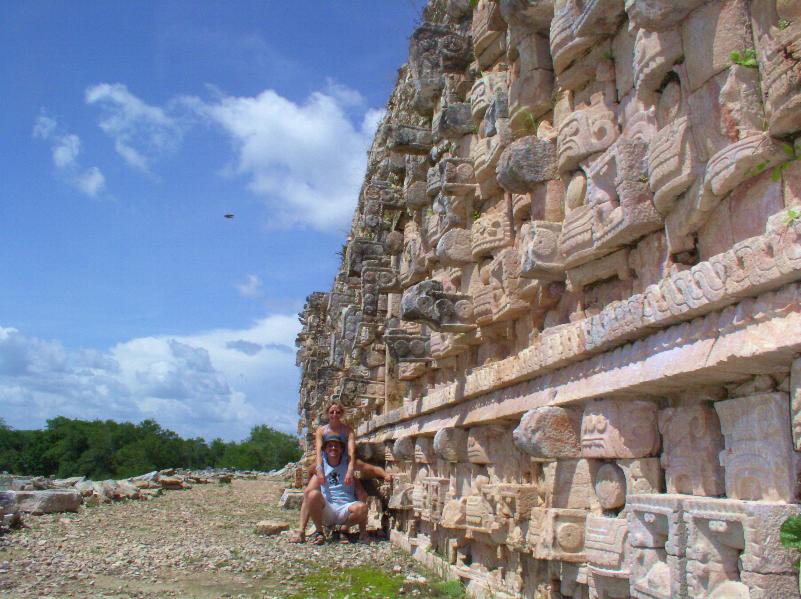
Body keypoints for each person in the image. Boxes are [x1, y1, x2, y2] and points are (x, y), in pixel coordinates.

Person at [290, 433, 369, 545]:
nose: (333, 448)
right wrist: (313, 482)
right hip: (328, 508)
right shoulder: (320, 466)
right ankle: (319, 532)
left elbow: (369, 470)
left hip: (345, 508)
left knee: (362, 507)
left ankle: (343, 528)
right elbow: (310, 472)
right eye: (330, 446)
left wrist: (384, 474)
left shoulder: (349, 466)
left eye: (336, 446)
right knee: (311, 494)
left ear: (341, 449)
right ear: (325, 449)